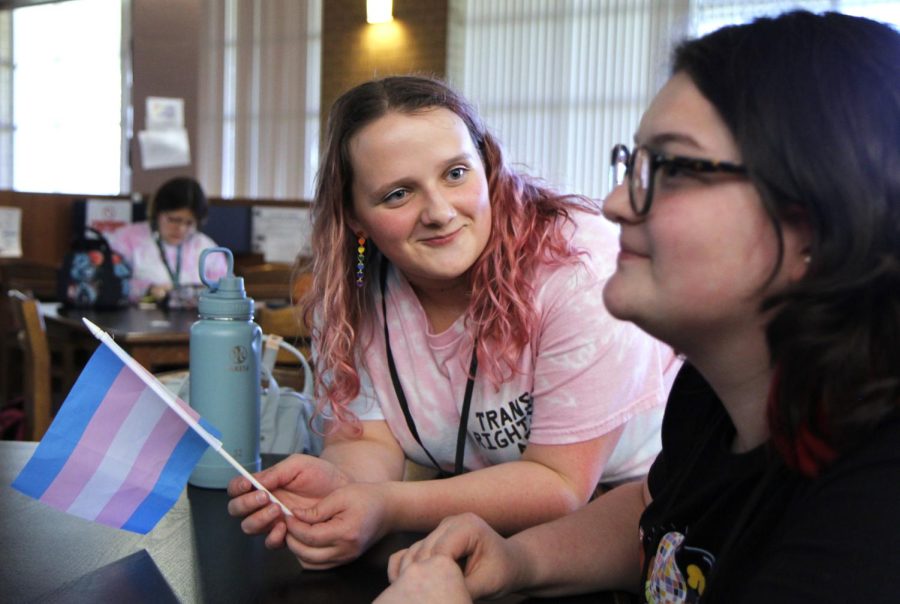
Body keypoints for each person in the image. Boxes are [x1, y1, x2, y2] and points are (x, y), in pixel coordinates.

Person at [377, 10, 900, 603]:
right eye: (634, 164)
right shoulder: (712, 397)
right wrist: (518, 558)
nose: (617, 202)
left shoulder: (876, 506)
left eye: (672, 168)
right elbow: (661, 514)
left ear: (821, 219)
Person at [226, 75, 680, 569]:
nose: (440, 213)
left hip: (635, 523)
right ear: (355, 217)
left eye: (456, 173)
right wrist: (344, 489)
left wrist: (386, 504)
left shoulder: (578, 269)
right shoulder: (355, 290)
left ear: (487, 166)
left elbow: (560, 483)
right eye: (398, 194)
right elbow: (369, 438)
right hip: (468, 523)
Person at [109, 176, 227, 307]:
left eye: (189, 223)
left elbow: (225, 291)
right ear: (157, 213)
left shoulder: (206, 248)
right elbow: (112, 283)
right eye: (173, 220)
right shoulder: (127, 239)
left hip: (194, 322)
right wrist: (148, 289)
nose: (181, 229)